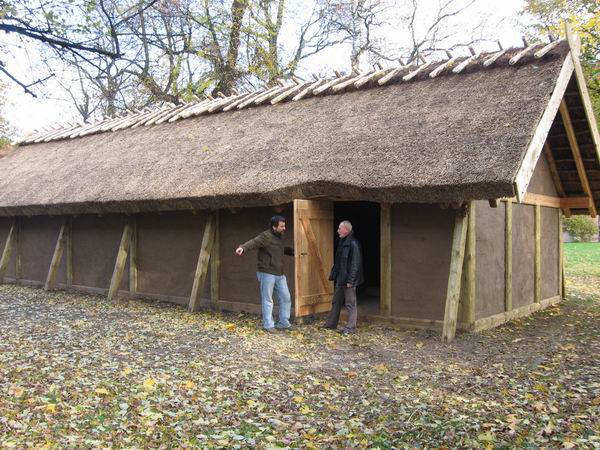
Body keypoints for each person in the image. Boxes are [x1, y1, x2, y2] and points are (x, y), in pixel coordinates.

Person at [236, 216, 294, 333]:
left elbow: (280, 249)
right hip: (267, 273)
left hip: (280, 273)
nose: (284, 228)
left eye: (284, 225)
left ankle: (284, 323)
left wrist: (292, 251)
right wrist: (242, 247)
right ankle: (268, 325)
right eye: (281, 226)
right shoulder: (265, 236)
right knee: (268, 300)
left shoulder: (280, 236)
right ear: (274, 227)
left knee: (286, 298)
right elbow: (253, 242)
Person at [322, 220, 364, 334]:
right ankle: (331, 324)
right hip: (341, 278)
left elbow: (356, 264)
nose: (337, 231)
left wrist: (351, 280)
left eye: (339, 228)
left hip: (349, 280)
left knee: (350, 303)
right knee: (336, 301)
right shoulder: (343, 242)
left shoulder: (353, 244)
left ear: (346, 229)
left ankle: (350, 328)